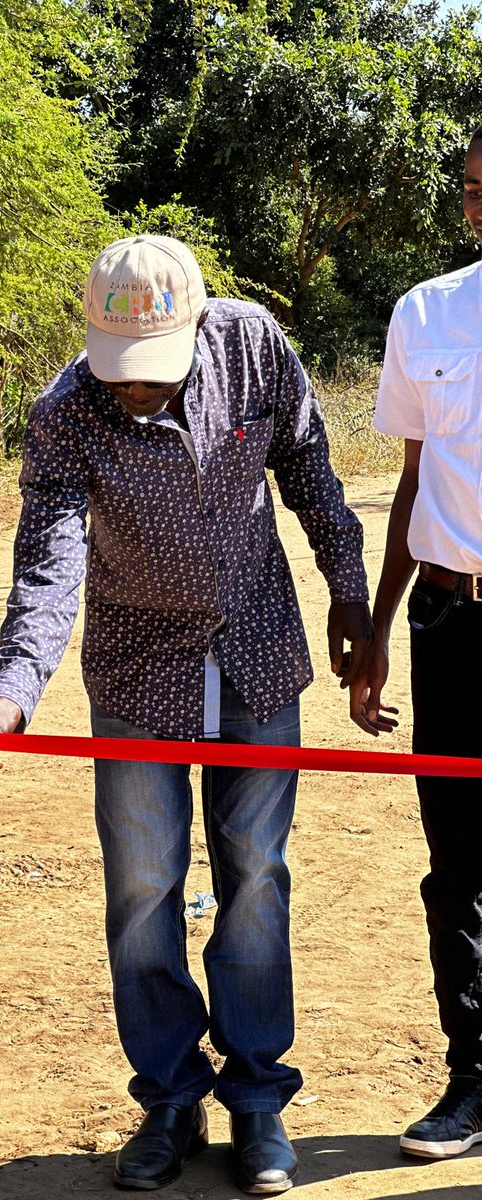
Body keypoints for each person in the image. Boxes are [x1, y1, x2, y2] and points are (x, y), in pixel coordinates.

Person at [0, 235, 375, 1193]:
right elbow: (51, 570)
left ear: (195, 331)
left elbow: (309, 469)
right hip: (140, 670)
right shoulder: (65, 415)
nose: (134, 391)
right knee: (144, 888)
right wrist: (13, 694)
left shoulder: (255, 346)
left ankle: (259, 1100)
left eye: (153, 375)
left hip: (259, 653)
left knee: (257, 876)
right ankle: (172, 1095)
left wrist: (347, 591)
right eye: (120, 375)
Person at [350, 129, 482, 1159]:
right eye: (473, 190)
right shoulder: (426, 310)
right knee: (457, 866)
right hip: (450, 620)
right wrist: (379, 628)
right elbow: (410, 480)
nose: (478, 206)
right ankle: (472, 1081)